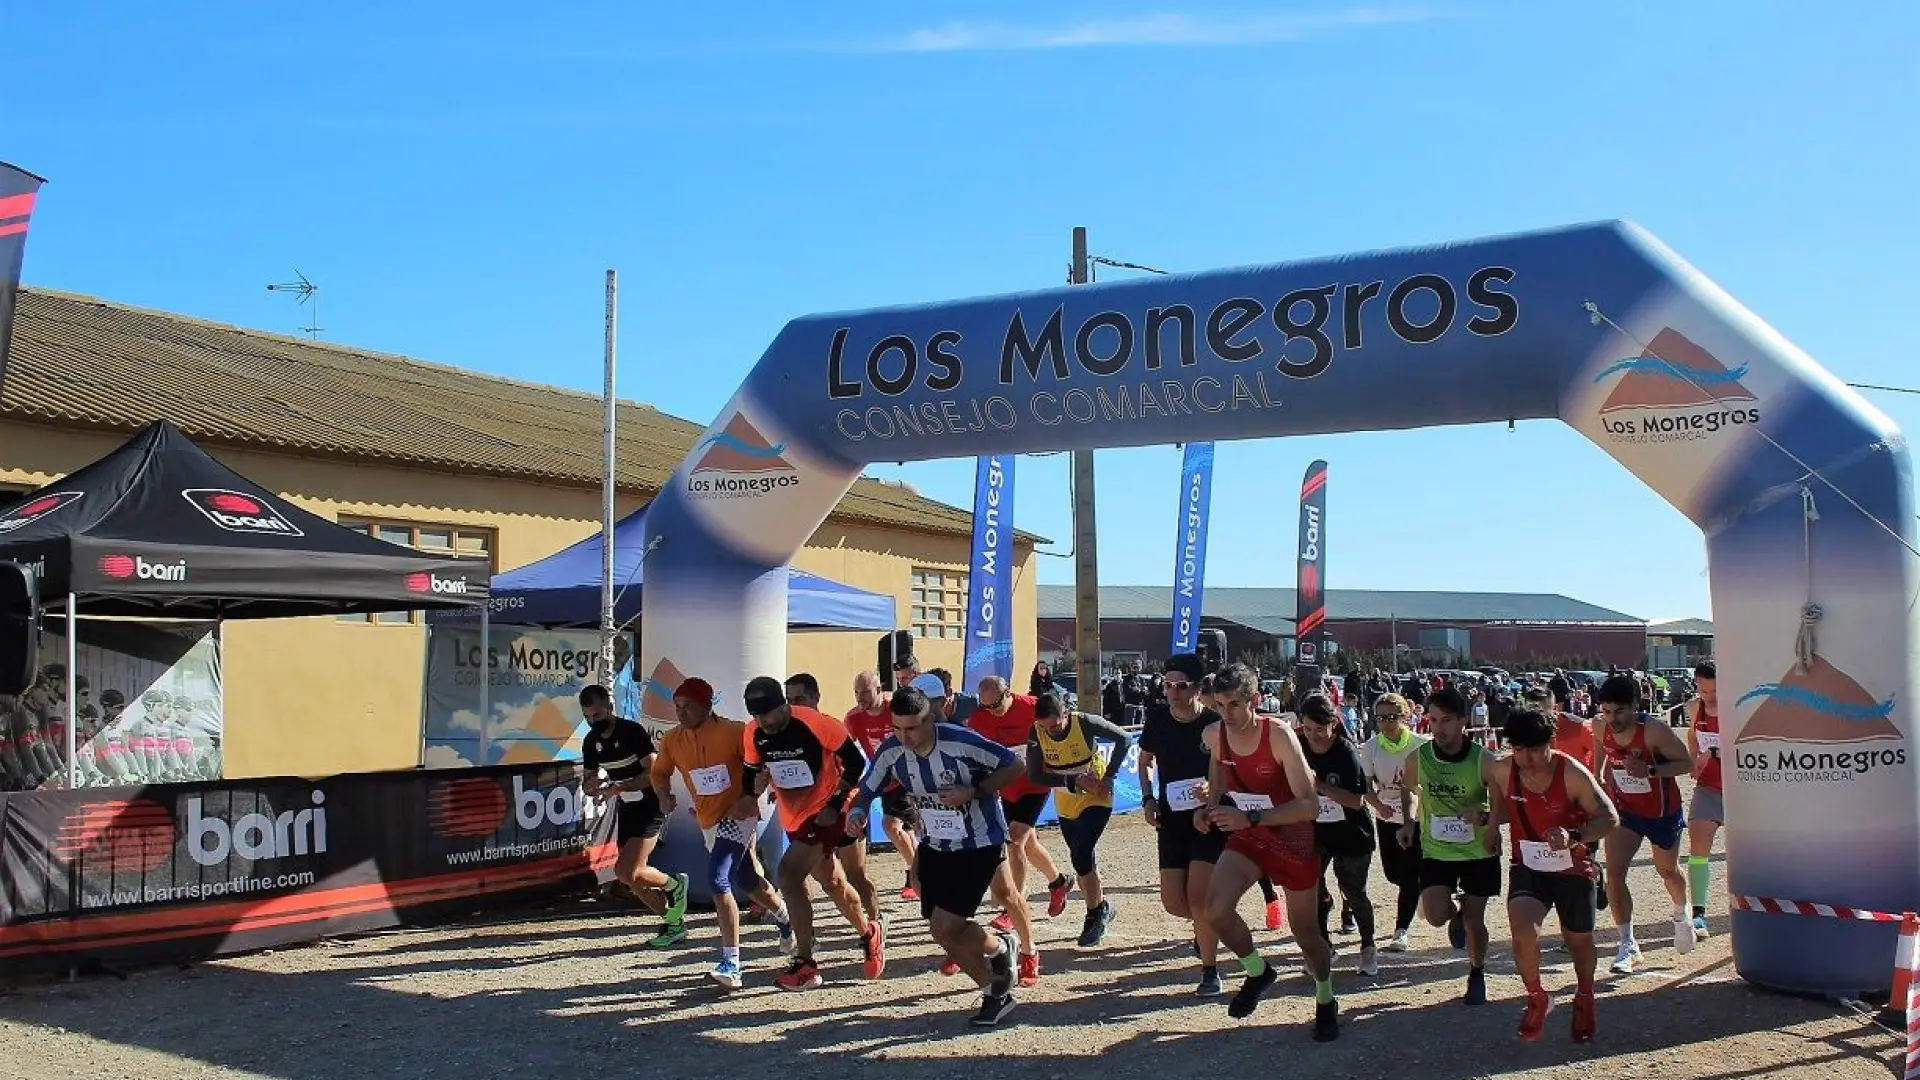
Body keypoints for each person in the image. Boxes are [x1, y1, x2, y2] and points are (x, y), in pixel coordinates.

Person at [847, 684, 1030, 1028]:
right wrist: (856, 812)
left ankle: (996, 992)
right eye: (897, 729)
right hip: (934, 843)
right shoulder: (891, 751)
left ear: (929, 718)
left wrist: (973, 791)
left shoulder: (960, 740)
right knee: (941, 929)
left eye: (912, 727)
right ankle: (999, 947)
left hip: (978, 841)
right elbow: (868, 787)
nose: (905, 737)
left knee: (947, 926)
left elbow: (1015, 764)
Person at [1196, 664, 1337, 1040]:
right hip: (1250, 833)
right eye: (1220, 705)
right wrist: (1205, 810)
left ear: (1255, 701)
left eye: (1235, 705)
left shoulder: (1279, 736)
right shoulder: (1215, 735)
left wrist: (1250, 817)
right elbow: (1217, 784)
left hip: (1291, 836)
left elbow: (1309, 806)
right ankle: (1258, 971)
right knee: (1215, 910)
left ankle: (1325, 997)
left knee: (1306, 933)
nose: (1228, 714)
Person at [649, 677, 793, 990]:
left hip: (738, 816)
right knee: (747, 881)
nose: (681, 713)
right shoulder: (672, 739)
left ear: (707, 705)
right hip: (708, 821)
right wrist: (663, 794)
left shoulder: (734, 731)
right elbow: (659, 773)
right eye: (677, 707)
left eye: (688, 706)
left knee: (718, 878)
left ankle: (731, 963)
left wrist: (751, 795)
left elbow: (762, 762)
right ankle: (785, 917)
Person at [742, 676, 884, 989]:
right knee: (833, 882)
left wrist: (834, 803)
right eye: (757, 717)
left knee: (789, 874)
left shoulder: (816, 724)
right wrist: (751, 793)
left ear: (784, 706)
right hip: (794, 817)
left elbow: (856, 763)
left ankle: (805, 964)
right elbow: (750, 771)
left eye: (768, 715)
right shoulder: (753, 733)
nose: (763, 723)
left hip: (826, 811)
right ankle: (869, 932)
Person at [1491, 706, 1619, 1043]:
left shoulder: (1572, 773)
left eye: (1534, 749)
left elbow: (1609, 818)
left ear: (1551, 742)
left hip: (1572, 865)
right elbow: (1501, 807)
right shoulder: (1504, 770)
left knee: (1578, 942)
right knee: (1522, 933)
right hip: (1529, 865)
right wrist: (1486, 822)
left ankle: (1585, 996)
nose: (1527, 758)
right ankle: (1537, 997)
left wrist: (1574, 836)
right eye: (1518, 750)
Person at [1399, 686, 1500, 1006]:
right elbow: (1408, 789)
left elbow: (1505, 806)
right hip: (1437, 850)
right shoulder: (1419, 757)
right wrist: (1408, 820)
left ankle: (1477, 973)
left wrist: (1483, 817)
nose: (1438, 728)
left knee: (1475, 920)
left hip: (1477, 851)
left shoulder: (1484, 760)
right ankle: (1453, 914)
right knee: (1435, 916)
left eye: (1445, 721)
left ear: (1463, 721)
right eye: (1433, 720)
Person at [1138, 653, 1231, 996]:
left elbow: (1230, 767)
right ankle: (1205, 928)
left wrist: (1212, 789)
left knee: (1198, 898)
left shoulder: (1212, 724)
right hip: (1171, 820)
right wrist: (1148, 798)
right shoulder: (1158, 719)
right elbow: (1145, 761)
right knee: (1174, 903)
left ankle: (1210, 970)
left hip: (1208, 820)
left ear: (1197, 687)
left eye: (1180, 686)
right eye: (1167, 685)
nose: (1173, 692)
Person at [1591, 672, 1695, 974]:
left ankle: (1680, 912)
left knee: (1667, 870)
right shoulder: (1600, 726)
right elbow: (1601, 745)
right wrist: (1598, 773)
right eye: (1607, 711)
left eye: (1619, 711)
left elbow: (1686, 763)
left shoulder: (1654, 731)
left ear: (1636, 705)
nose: (1612, 718)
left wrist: (1650, 770)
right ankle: (1628, 944)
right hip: (1625, 812)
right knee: (1615, 872)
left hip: (1662, 812)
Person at [971, 674, 1065, 987]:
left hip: (1036, 785)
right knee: (1028, 844)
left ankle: (1015, 905)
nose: (992, 711)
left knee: (1014, 841)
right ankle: (1059, 881)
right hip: (1007, 790)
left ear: (1009, 694)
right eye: (986, 706)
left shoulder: (1032, 707)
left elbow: (1063, 722)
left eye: (996, 705)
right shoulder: (979, 716)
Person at [578, 684, 688, 946]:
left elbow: (653, 774)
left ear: (609, 708)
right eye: (587, 717)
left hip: (652, 804)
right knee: (629, 877)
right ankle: (674, 923)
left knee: (626, 870)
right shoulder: (591, 742)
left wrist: (619, 787)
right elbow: (588, 779)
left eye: (597, 715)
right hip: (626, 808)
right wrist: (590, 786)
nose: (593, 722)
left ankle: (674, 886)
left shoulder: (631, 732)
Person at [1026, 691, 1132, 947]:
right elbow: (1035, 776)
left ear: (1065, 714)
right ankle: (1102, 906)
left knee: (1082, 852)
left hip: (1096, 796)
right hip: (1066, 801)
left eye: (1055, 725)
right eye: (1044, 727)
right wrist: (1071, 780)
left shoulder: (1083, 722)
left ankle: (1094, 914)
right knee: (1081, 856)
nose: (1050, 731)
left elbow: (1125, 739)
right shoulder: (1036, 732)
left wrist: (1108, 777)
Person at [784, 673, 885, 927]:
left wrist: (843, 804)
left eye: (800, 698)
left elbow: (855, 768)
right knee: (805, 876)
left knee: (856, 875)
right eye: (789, 700)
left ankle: (876, 923)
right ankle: (806, 936)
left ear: (816, 697)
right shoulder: (784, 733)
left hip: (843, 812)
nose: (794, 705)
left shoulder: (830, 728)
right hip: (811, 819)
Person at [1298, 693, 1378, 976]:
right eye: (1307, 729)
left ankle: (1368, 947)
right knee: (1313, 889)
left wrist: (1320, 785)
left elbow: (1357, 800)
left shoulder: (1345, 751)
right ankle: (1324, 948)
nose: (1313, 736)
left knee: (1354, 890)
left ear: (1332, 724)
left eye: (1319, 730)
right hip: (1317, 831)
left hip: (1352, 832)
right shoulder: (1298, 745)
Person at [843, 670, 920, 901]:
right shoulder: (854, 718)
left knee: (893, 825)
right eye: (857, 693)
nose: (860, 698)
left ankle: (918, 875)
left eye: (865, 692)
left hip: (908, 775)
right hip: (880, 777)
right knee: (898, 827)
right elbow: (844, 751)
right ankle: (918, 873)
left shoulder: (896, 707)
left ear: (879, 689)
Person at [1361, 693, 1427, 953]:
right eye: (1381, 718)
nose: (1386, 723)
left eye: (1392, 717)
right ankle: (1419, 892)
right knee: (1393, 874)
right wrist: (1379, 806)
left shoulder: (1421, 745)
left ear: (1404, 717)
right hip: (1387, 816)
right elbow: (1365, 787)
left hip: (1416, 817)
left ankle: (1401, 930)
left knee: (1410, 874)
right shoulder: (1371, 747)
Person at [1683, 661, 1723, 939]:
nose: (1708, 696)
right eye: (1703, 690)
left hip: (1742, 789)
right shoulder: (1693, 707)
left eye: (1714, 691)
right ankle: (1698, 913)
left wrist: (1713, 753)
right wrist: (1693, 758)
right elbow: (1692, 735)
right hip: (1708, 788)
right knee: (1697, 850)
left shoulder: (1737, 706)